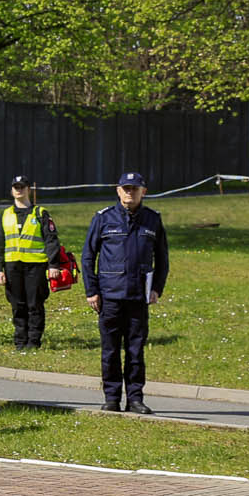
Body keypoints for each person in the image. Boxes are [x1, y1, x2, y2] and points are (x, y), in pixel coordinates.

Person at [82, 171, 169, 414]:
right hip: (109, 297)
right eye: (125, 188)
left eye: (134, 188)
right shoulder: (103, 219)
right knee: (110, 350)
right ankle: (111, 398)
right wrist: (92, 291)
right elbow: (88, 256)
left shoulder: (153, 220)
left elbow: (162, 258)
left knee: (135, 351)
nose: (129, 192)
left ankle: (135, 399)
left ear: (144, 192)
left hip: (138, 297)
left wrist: (157, 289)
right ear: (118, 191)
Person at [0, 175, 57, 351]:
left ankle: (34, 341)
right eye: (16, 187)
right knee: (17, 305)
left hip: (35, 265)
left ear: (29, 189)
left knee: (34, 304)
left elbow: (51, 240)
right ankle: (20, 341)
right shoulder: (5, 215)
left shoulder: (40, 213)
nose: (19, 190)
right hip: (12, 266)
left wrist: (53, 265)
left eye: (22, 186)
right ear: (12, 190)